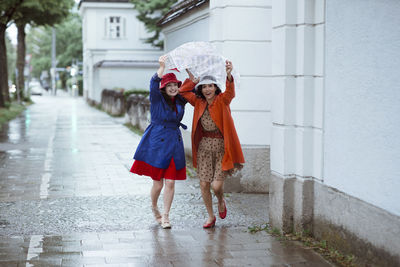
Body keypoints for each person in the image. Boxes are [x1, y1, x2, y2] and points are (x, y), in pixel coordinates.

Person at [179, 60, 244, 228]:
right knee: (203, 184)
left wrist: (229, 74)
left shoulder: (223, 100)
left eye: (211, 86)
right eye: (204, 86)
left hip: (221, 147)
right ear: (200, 89)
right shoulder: (198, 102)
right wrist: (192, 79)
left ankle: (221, 200)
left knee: (216, 186)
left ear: (216, 87)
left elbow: (230, 92)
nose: (207, 89)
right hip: (204, 148)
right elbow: (183, 92)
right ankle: (210, 216)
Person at [130, 55, 187, 229]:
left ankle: (166, 216)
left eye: (175, 85)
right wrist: (162, 67)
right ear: (164, 87)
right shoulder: (157, 99)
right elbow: (153, 83)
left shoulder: (180, 101)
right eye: (168, 85)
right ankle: (154, 206)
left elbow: (192, 85)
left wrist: (190, 69)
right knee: (158, 183)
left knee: (170, 181)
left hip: (174, 143)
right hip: (156, 143)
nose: (172, 88)